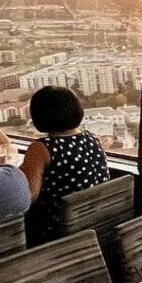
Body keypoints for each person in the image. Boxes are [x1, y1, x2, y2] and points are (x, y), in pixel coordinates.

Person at [21, 85, 109, 244]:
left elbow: (26, 197)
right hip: (93, 223)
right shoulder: (92, 138)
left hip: (54, 230)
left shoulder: (41, 148)